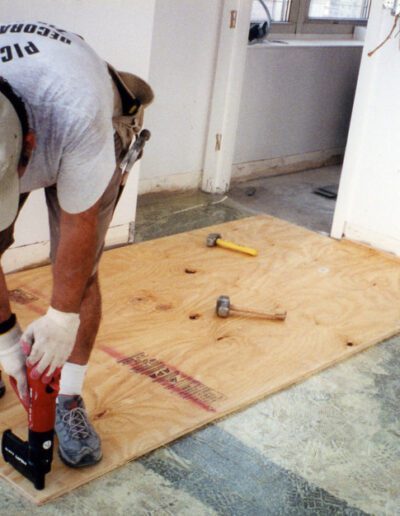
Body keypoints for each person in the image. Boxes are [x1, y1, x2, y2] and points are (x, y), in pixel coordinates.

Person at [0, 21, 153, 468]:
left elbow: (78, 225)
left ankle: (66, 399)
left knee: (79, 277)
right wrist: (6, 338)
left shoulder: (77, 111)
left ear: (30, 146)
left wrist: (60, 319)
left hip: (96, 123)